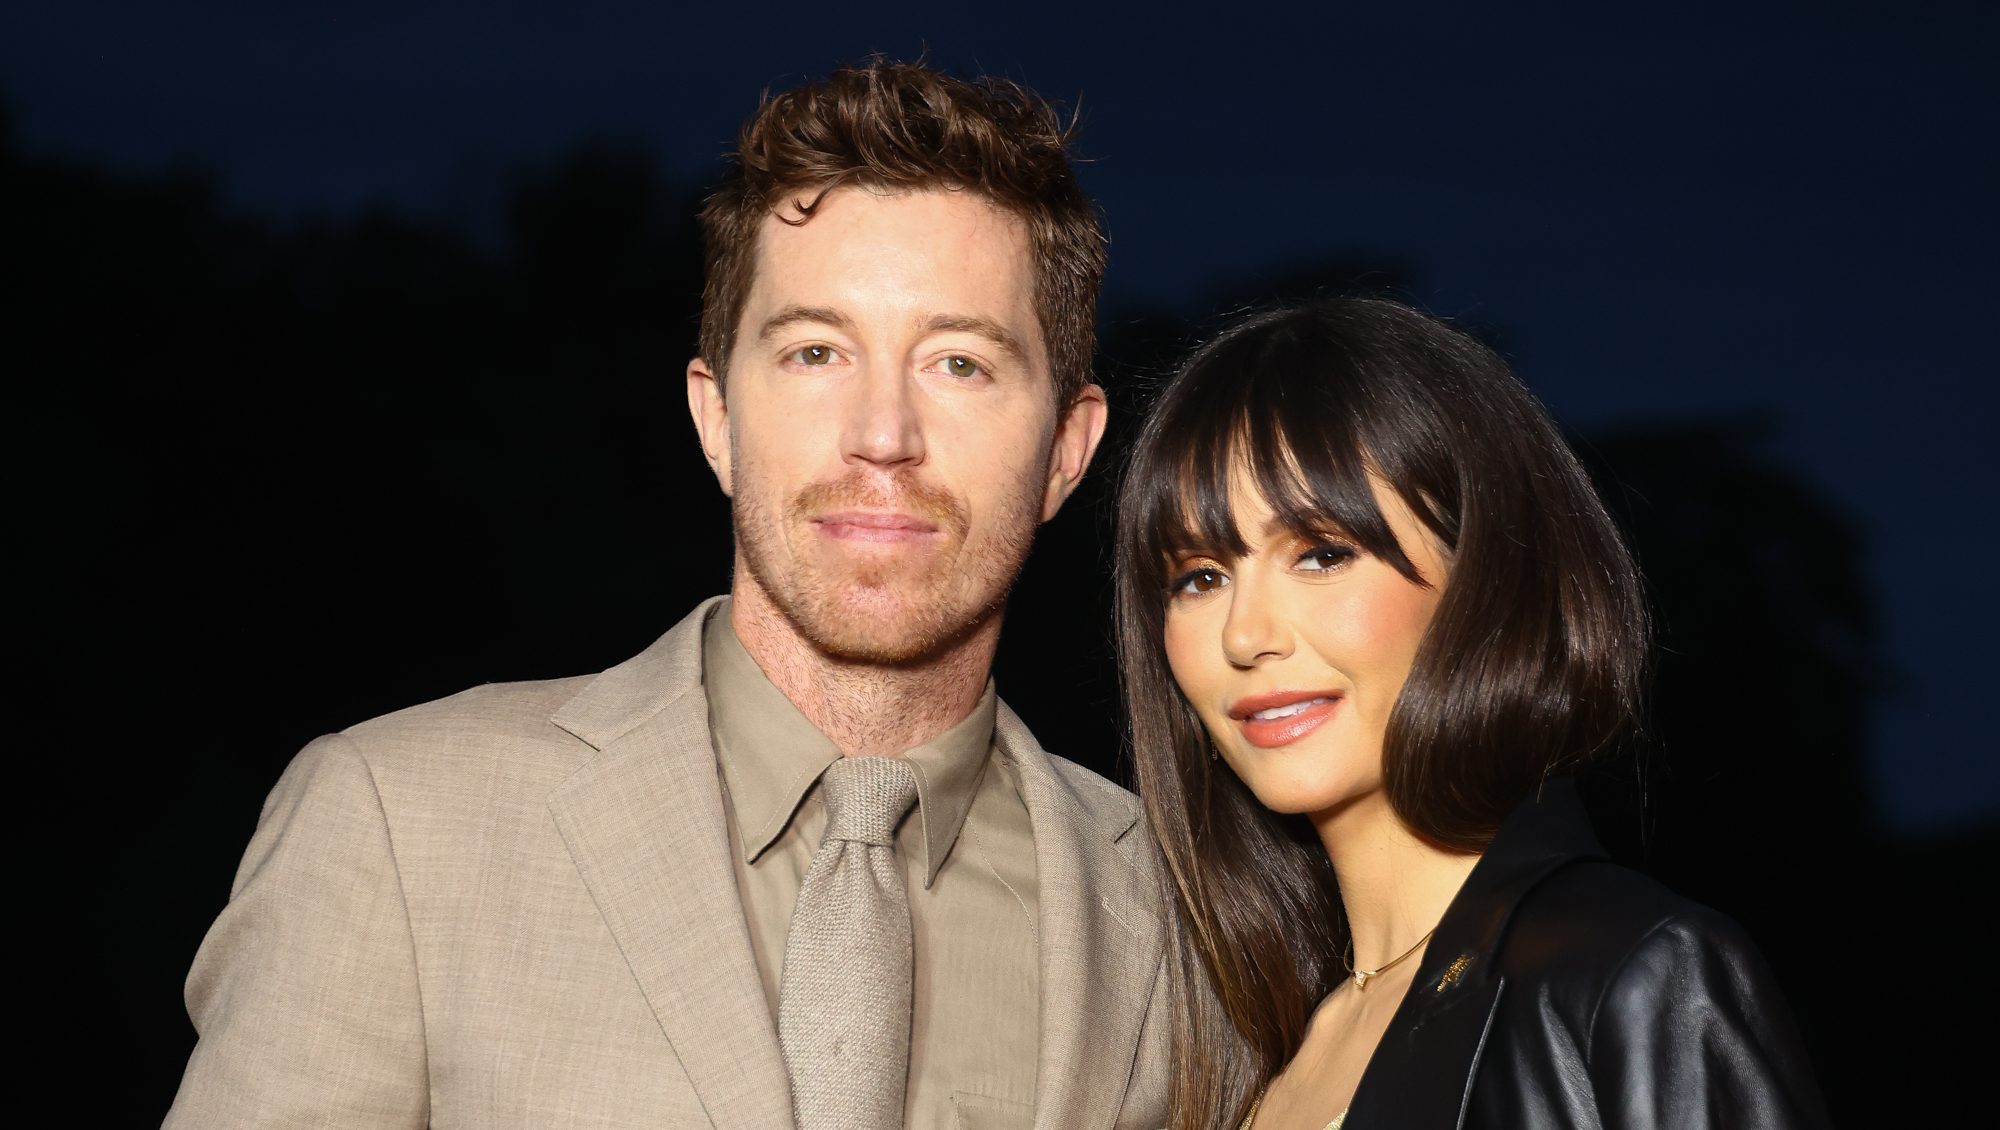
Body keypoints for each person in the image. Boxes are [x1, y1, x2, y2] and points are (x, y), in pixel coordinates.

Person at [166, 60, 1172, 1130]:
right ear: (716, 417)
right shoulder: (397, 825)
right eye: (814, 351)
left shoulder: (1176, 914)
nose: (882, 433)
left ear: (1066, 448)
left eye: (959, 363)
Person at [1114, 298, 1830, 1130]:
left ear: (1483, 582)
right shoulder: (1234, 1054)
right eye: (1199, 577)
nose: (1245, 635)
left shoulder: (1629, 974)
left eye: (1321, 553)